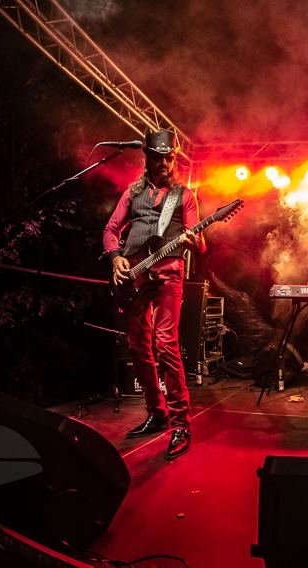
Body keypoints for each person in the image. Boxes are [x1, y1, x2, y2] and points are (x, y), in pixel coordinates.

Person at [103, 129, 205, 460]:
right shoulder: (132, 193)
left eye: (169, 158)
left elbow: (200, 243)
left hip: (168, 276)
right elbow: (111, 230)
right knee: (138, 346)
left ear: (174, 159)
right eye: (158, 157)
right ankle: (156, 412)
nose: (164, 163)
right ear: (146, 157)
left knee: (165, 344)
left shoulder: (184, 196)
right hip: (133, 277)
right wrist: (116, 257)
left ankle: (181, 424)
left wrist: (194, 241)